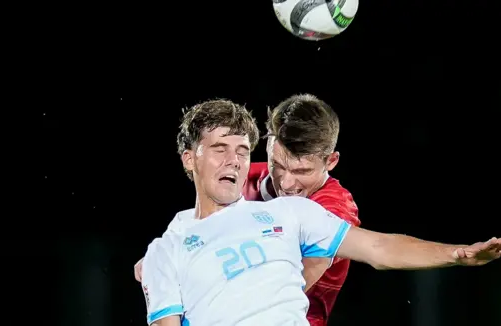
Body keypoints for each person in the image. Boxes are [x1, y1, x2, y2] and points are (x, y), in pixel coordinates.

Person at [140, 99, 501, 325]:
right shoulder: (168, 247)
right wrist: (157, 270)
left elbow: (380, 249)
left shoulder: (303, 212)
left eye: (241, 150)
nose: (289, 184)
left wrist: (455, 253)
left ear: (330, 162)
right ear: (189, 160)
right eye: (221, 149)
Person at [136, 94, 360, 326]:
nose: (286, 183)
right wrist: (161, 258)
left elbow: (293, 282)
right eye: (279, 166)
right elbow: (198, 222)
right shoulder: (243, 175)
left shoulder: (336, 205)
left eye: (302, 171)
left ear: (331, 162)